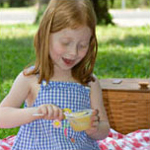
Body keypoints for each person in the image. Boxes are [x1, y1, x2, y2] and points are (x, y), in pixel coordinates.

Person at [0, 0, 110, 149]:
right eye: (65, 42)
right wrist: (35, 112)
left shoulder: (89, 82)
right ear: (46, 36)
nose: (73, 52)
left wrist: (95, 129)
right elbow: (2, 117)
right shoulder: (32, 78)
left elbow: (104, 127)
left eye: (82, 45)